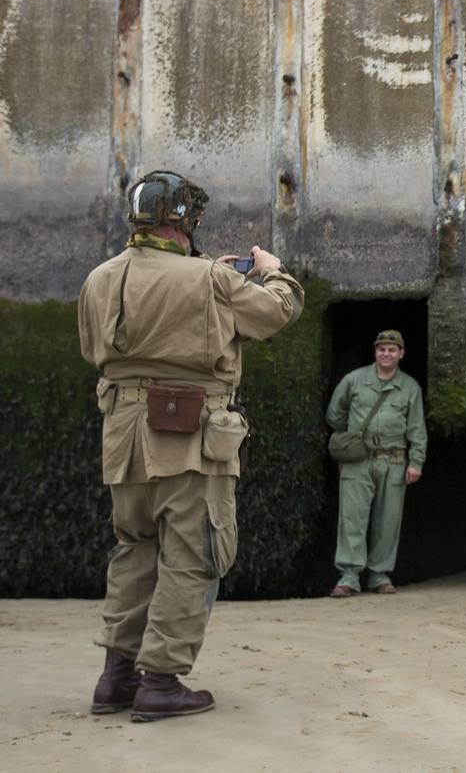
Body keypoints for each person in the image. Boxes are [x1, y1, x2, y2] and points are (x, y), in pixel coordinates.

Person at [78, 170, 304, 721]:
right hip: (190, 436)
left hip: (124, 436)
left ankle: (117, 678)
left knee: (134, 549)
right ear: (184, 224)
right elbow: (277, 311)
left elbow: (93, 348)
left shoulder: (100, 278)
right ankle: (161, 680)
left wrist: (207, 281)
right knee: (193, 555)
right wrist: (273, 273)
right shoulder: (211, 280)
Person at [326, 330, 428, 597]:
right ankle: (349, 575)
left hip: (393, 460)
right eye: (382, 349)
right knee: (352, 518)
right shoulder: (354, 380)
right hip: (358, 460)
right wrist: (350, 441)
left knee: (388, 521)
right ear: (375, 352)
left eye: (392, 350)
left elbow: (417, 429)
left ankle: (380, 574)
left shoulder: (410, 387)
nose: (386, 354)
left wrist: (415, 462)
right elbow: (334, 415)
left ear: (401, 354)